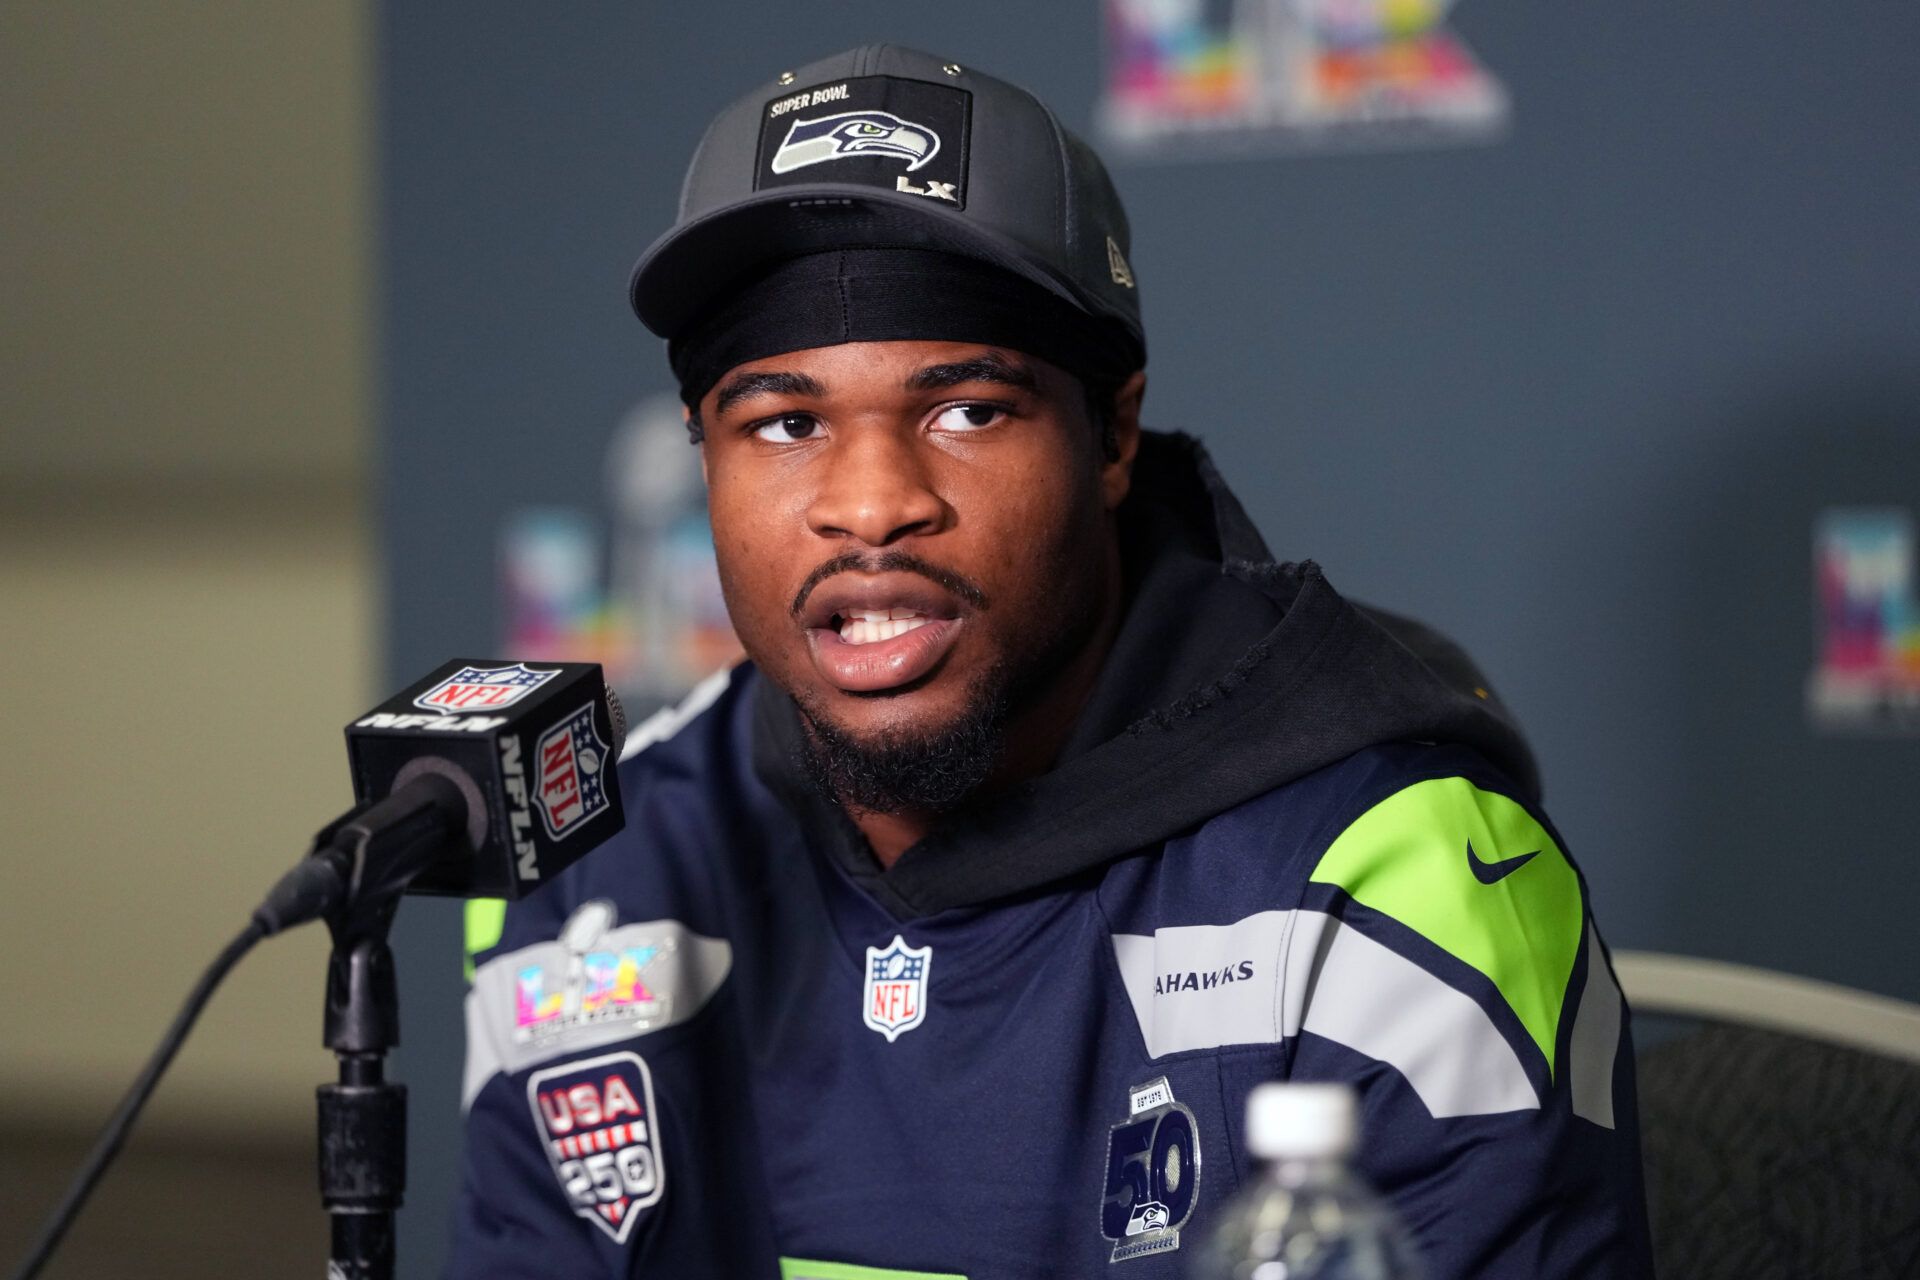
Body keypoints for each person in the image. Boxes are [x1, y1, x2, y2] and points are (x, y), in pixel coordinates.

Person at [449, 44, 1653, 1278]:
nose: (871, 505)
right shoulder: (607, 861)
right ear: (703, 455)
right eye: (786, 422)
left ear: (1113, 433)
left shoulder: (1390, 879)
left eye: (967, 408)